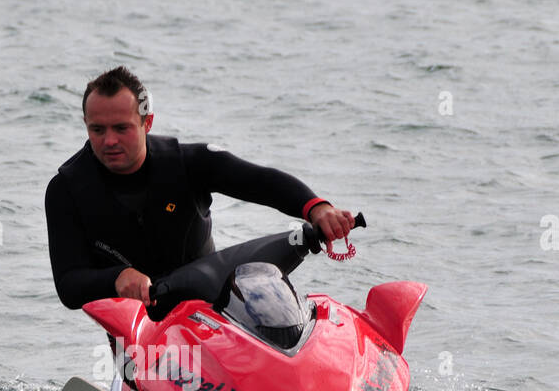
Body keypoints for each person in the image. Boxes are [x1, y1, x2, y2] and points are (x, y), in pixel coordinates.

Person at [45, 66, 355, 310]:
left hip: (210, 303)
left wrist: (317, 208)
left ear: (146, 123)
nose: (109, 140)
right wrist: (117, 278)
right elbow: (69, 287)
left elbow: (262, 182)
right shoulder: (67, 189)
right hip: (137, 325)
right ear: (85, 123)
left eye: (121, 128)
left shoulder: (188, 162)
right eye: (97, 129)